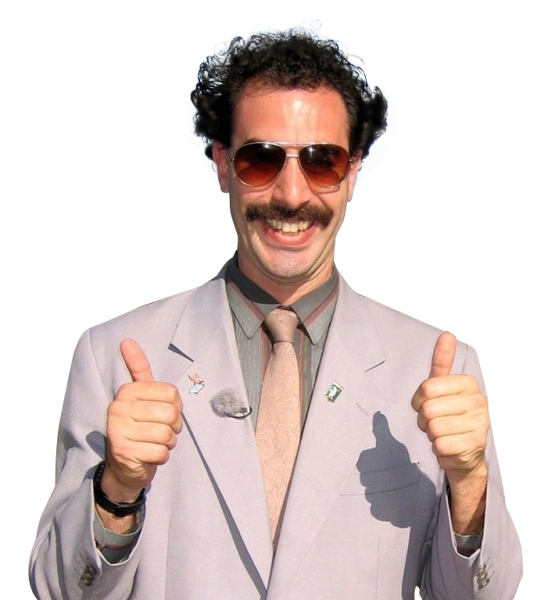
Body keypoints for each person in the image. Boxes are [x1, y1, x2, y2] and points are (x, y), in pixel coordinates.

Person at [29, 26, 523, 599]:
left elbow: (484, 595)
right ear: (221, 164)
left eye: (322, 161)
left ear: (353, 171)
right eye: (261, 160)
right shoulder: (111, 356)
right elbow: (58, 589)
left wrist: (469, 484)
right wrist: (116, 490)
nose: (292, 194)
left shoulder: (439, 367)